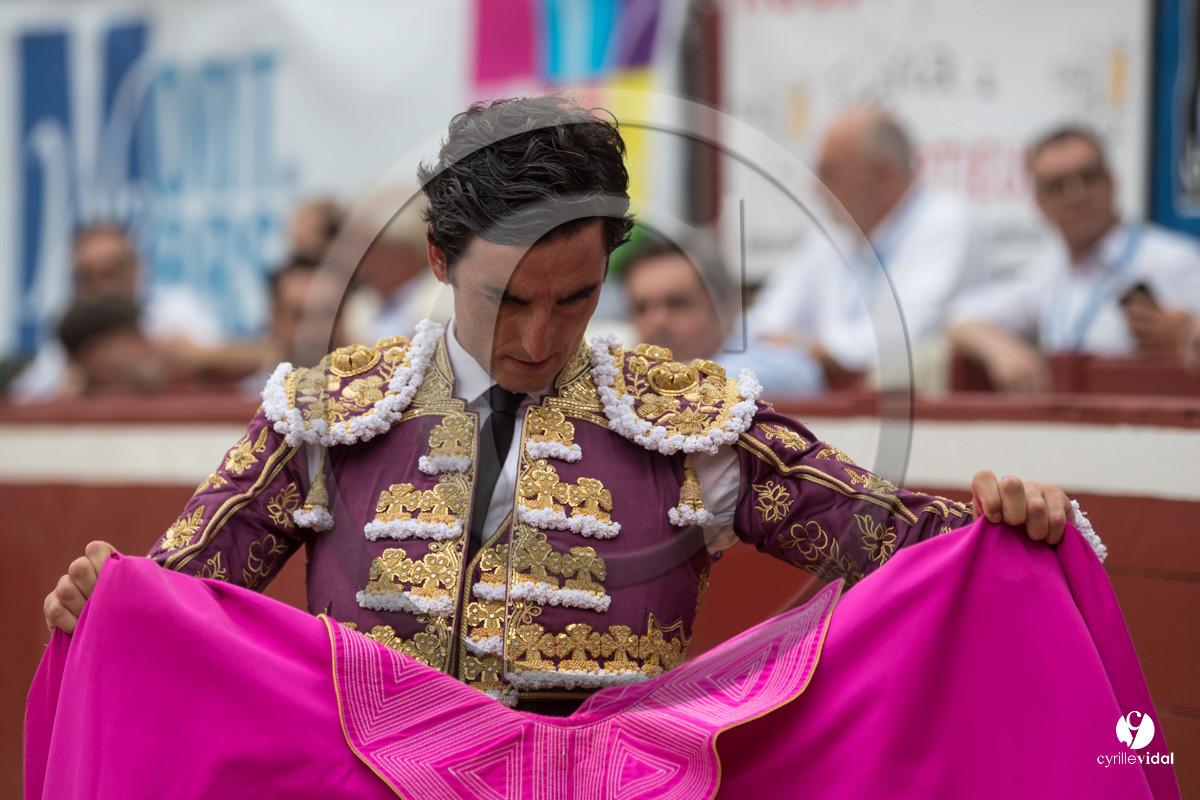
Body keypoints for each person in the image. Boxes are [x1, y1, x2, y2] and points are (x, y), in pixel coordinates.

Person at [44, 96, 1075, 715]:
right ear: (442, 262)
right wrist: (98, 599)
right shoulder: (327, 412)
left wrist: (1018, 525)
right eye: (506, 300)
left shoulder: (690, 420)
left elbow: (908, 541)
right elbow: (166, 597)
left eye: (574, 298)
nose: (539, 340)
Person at [743, 107, 989, 392]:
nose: (815, 187)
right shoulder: (835, 232)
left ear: (883, 176)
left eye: (829, 173)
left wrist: (803, 345)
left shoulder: (946, 221)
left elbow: (901, 337)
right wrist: (808, 348)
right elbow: (763, 324)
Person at [949, 125, 1200, 392]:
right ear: (1040, 203)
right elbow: (960, 318)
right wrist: (1001, 349)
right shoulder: (1051, 271)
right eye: (1057, 186)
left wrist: (1186, 336)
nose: (1076, 195)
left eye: (1088, 177)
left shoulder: (1173, 259)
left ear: (1112, 181)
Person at [8, 223, 224, 401]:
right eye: (90, 276)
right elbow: (23, 398)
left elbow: (242, 368)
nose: (105, 287)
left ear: (137, 267)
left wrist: (190, 357)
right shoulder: (72, 331)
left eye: (112, 271)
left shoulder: (174, 310)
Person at [621, 234, 824, 395]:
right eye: (641, 308)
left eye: (677, 304)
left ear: (726, 306)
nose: (657, 322)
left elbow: (799, 375)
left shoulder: (765, 366)